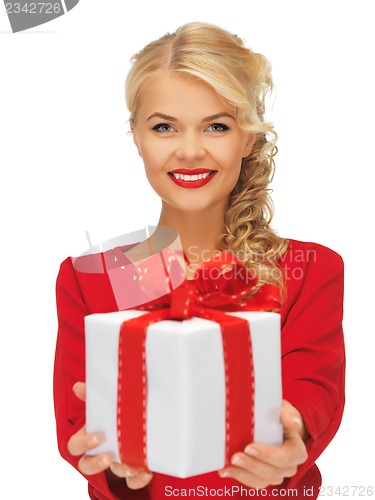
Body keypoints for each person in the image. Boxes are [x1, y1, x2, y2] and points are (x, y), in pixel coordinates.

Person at [54, 22, 345, 499]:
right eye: (164, 126)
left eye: (217, 126)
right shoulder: (89, 280)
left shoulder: (311, 269)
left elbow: (312, 387)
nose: (190, 151)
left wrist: (290, 429)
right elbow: (80, 423)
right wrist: (113, 465)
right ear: (136, 135)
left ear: (248, 138)